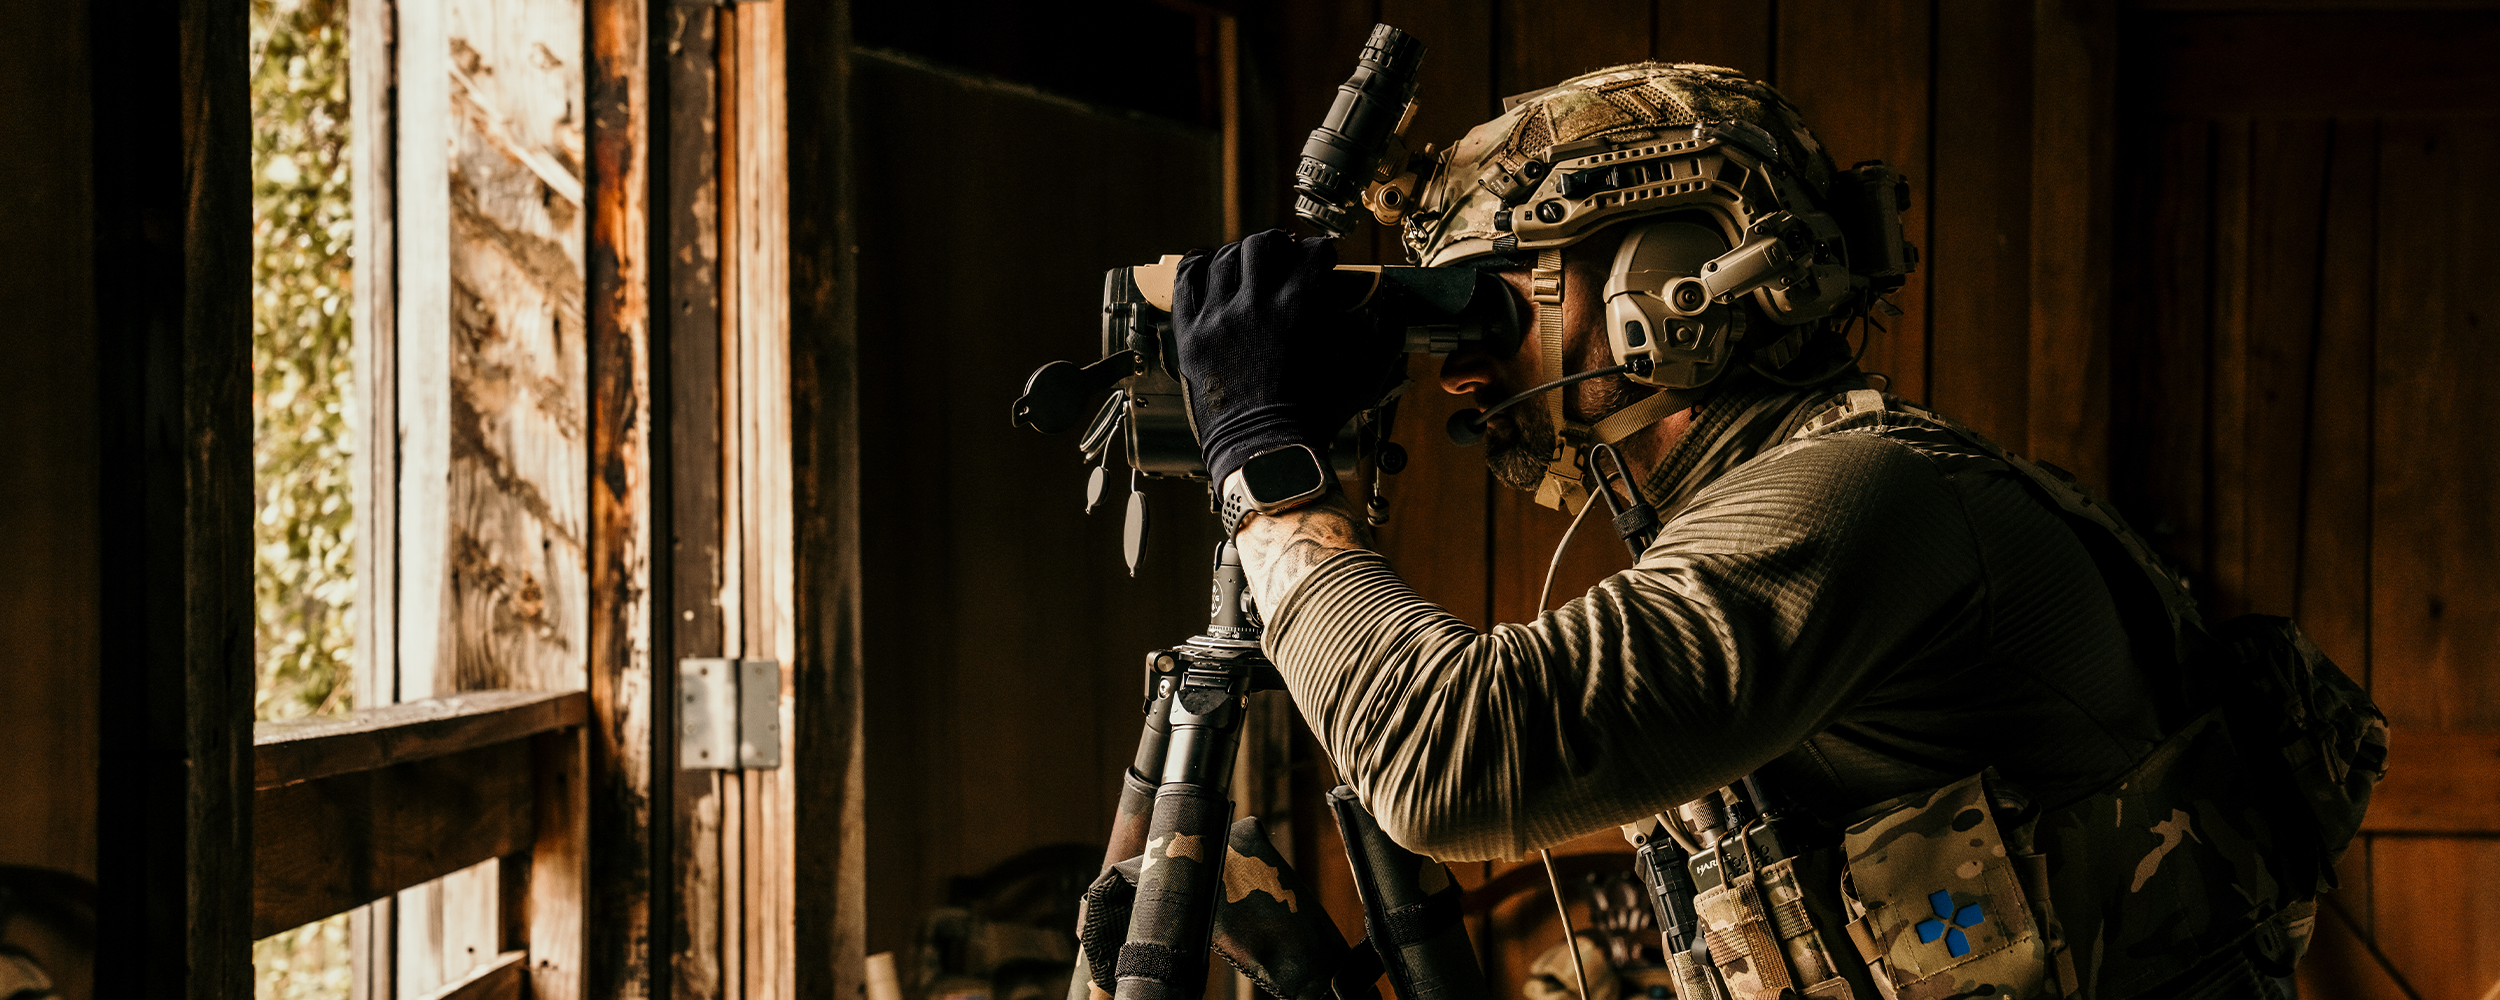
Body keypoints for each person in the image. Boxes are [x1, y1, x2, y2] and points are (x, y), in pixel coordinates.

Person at [1173, 63, 2318, 1000]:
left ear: (1667, 278)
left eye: (1502, 298)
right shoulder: (1780, 494)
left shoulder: (1860, 497)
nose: (1464, 368)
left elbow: (1451, 763)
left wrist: (1267, 463)